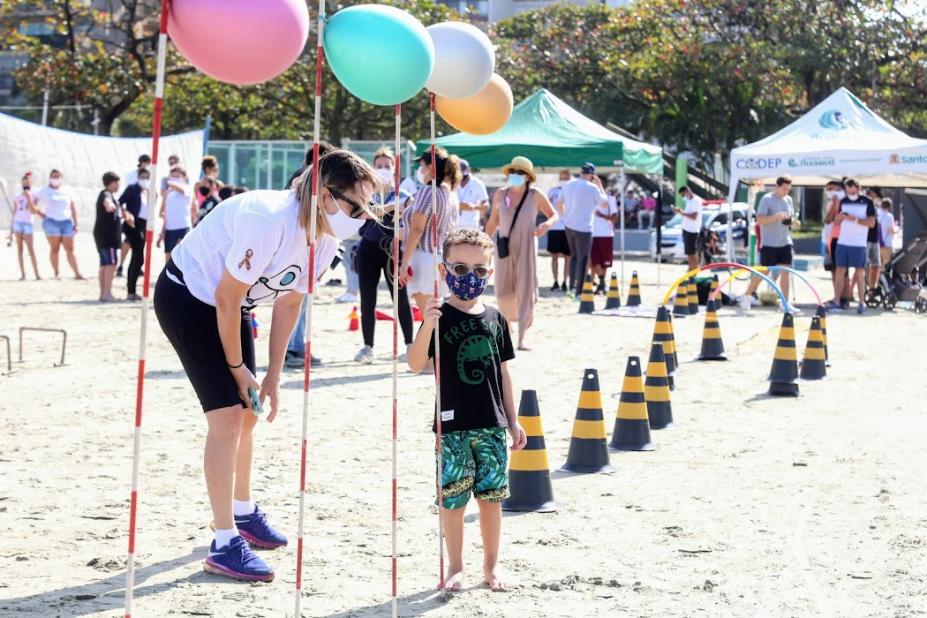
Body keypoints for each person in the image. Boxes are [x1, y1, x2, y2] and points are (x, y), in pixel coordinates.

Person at [153, 149, 377, 582]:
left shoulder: (326, 234)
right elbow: (226, 297)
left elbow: (291, 300)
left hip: (232, 306)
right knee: (227, 421)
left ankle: (243, 510)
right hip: (189, 298)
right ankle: (223, 542)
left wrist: (273, 375)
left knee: (250, 413)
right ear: (323, 194)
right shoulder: (267, 218)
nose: (364, 217)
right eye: (357, 207)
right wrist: (238, 368)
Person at [407, 228, 527, 592]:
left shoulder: (495, 318)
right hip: (450, 428)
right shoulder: (438, 316)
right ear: (443, 271)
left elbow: (504, 372)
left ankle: (491, 567)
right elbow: (415, 364)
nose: (469, 278)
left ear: (490, 273)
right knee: (453, 500)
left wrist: (513, 420)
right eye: (459, 268)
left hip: (491, 424)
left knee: (491, 500)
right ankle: (455, 566)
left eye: (478, 270)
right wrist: (426, 324)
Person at [485, 156, 558, 350]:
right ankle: (508, 326)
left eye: (519, 172)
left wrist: (545, 226)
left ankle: (522, 338)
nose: (515, 175)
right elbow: (493, 221)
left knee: (525, 289)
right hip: (504, 246)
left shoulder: (535, 195)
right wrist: (483, 243)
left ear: (527, 177)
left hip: (527, 245)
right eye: (512, 172)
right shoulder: (500, 194)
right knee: (502, 291)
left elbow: (554, 215)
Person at [354, 146, 414, 364]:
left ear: (395, 168)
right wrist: (391, 207)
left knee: (400, 298)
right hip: (368, 249)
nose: (383, 169)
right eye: (379, 166)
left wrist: (400, 206)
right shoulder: (367, 194)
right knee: (367, 299)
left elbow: (409, 211)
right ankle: (367, 346)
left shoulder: (403, 193)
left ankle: (409, 344)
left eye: (387, 166)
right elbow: (367, 212)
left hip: (392, 250)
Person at [284, 142, 335, 370]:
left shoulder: (302, 177)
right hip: (300, 250)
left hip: (301, 249)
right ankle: (293, 348)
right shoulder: (307, 180)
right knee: (297, 300)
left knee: (299, 301)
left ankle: (296, 346)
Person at [398, 146, 460, 314]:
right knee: (433, 313)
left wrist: (404, 263)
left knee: (430, 317)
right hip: (439, 257)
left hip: (423, 258)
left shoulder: (429, 191)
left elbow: (417, 229)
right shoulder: (450, 194)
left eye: (422, 165)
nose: (421, 170)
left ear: (430, 167)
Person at [739, 176, 796, 309]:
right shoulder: (767, 199)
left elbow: (790, 219)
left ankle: (785, 303)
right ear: (777, 186)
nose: (786, 192)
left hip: (785, 241)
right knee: (763, 272)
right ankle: (747, 294)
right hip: (769, 243)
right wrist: (776, 217)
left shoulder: (789, 200)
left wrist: (793, 222)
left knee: (785, 271)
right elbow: (760, 220)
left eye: (788, 189)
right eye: (784, 189)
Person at [827, 178, 875, 314]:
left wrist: (854, 219)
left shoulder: (867, 202)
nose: (850, 192)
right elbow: (836, 221)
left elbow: (872, 223)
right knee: (840, 271)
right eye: (847, 189)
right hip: (843, 242)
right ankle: (837, 301)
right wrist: (840, 216)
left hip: (859, 243)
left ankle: (861, 303)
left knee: (860, 272)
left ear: (858, 188)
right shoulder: (843, 202)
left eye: (852, 189)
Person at [559, 162, 607, 296]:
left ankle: (571, 287)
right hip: (584, 227)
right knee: (583, 259)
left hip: (569, 225)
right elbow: (604, 203)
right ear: (592, 175)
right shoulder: (592, 187)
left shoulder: (568, 184)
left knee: (573, 257)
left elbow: (559, 203)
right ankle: (579, 291)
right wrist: (600, 185)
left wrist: (564, 217)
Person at [32, 169, 85, 279]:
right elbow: (33, 202)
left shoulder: (66, 191)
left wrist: (76, 223)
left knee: (70, 249)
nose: (55, 179)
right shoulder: (44, 191)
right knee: (55, 248)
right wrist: (41, 214)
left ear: (61, 178)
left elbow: (72, 207)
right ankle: (56, 272)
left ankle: (77, 273)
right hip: (51, 221)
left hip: (66, 221)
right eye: (53, 177)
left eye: (57, 177)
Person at [94, 172, 134, 302]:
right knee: (110, 264)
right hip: (107, 236)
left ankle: (103, 293)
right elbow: (107, 202)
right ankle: (107, 293)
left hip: (104, 236)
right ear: (110, 183)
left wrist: (127, 216)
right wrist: (108, 205)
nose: (118, 185)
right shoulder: (106, 194)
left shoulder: (112, 197)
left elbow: (119, 210)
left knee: (105, 264)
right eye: (116, 183)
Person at [119, 167, 151, 301]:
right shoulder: (132, 188)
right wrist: (126, 214)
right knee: (138, 256)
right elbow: (120, 202)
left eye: (147, 177)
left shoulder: (150, 191)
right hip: (132, 224)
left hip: (143, 224)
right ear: (138, 177)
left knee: (139, 258)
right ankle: (131, 291)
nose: (144, 179)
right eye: (142, 176)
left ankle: (132, 290)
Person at [158, 166, 196, 260]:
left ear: (184, 177)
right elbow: (162, 212)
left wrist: (170, 183)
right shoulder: (168, 192)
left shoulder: (188, 188)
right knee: (168, 256)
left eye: (177, 176)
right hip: (169, 228)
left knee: (182, 255)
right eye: (173, 176)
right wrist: (162, 233)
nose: (175, 178)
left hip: (183, 226)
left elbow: (181, 190)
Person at [823, 180, 852, 306]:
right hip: (831, 239)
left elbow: (839, 221)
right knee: (834, 270)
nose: (833, 192)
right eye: (829, 189)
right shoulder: (831, 204)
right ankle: (838, 297)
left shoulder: (849, 204)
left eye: (836, 189)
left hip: (845, 239)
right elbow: (828, 220)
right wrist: (834, 206)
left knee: (843, 271)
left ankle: (844, 298)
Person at [545, 170, 572, 292]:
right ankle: (555, 281)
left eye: (566, 177)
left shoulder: (573, 191)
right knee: (554, 256)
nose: (563, 179)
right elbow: (544, 205)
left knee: (568, 257)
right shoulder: (553, 191)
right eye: (562, 177)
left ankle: (565, 281)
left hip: (568, 227)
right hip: (555, 227)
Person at [10, 172, 41, 280]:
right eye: (24, 182)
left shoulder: (34, 196)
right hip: (17, 222)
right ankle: (23, 274)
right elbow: (14, 212)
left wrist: (28, 198)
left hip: (28, 223)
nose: (26, 184)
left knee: (31, 249)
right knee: (20, 249)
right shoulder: (17, 197)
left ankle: (37, 274)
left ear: (31, 183)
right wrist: (11, 231)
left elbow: (33, 211)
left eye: (27, 182)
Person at [590, 191, 618, 294]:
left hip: (606, 234)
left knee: (605, 262)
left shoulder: (610, 199)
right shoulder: (589, 198)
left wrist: (602, 216)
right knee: (594, 260)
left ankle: (601, 284)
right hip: (592, 233)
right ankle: (601, 283)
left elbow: (615, 218)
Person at [456, 159, 489, 230]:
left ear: (468, 171)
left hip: (472, 227)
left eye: (464, 175)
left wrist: (474, 207)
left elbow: (486, 205)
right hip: (454, 226)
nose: (462, 178)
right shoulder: (452, 182)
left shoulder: (478, 184)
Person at [675, 186, 702, 272]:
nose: (683, 197)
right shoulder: (689, 200)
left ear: (687, 191)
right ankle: (690, 270)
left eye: (683, 195)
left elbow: (694, 216)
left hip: (692, 230)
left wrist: (681, 213)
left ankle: (693, 272)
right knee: (689, 253)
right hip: (687, 230)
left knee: (692, 253)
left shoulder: (696, 201)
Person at [865, 187, 883, 289]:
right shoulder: (864, 204)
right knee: (863, 266)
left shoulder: (875, 206)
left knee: (876, 265)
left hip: (874, 239)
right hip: (866, 239)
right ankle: (863, 287)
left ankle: (873, 287)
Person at [877, 198, 896, 267]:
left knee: (876, 268)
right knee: (887, 267)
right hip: (886, 245)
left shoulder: (875, 214)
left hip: (875, 245)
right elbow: (891, 231)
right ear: (890, 206)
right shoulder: (889, 216)